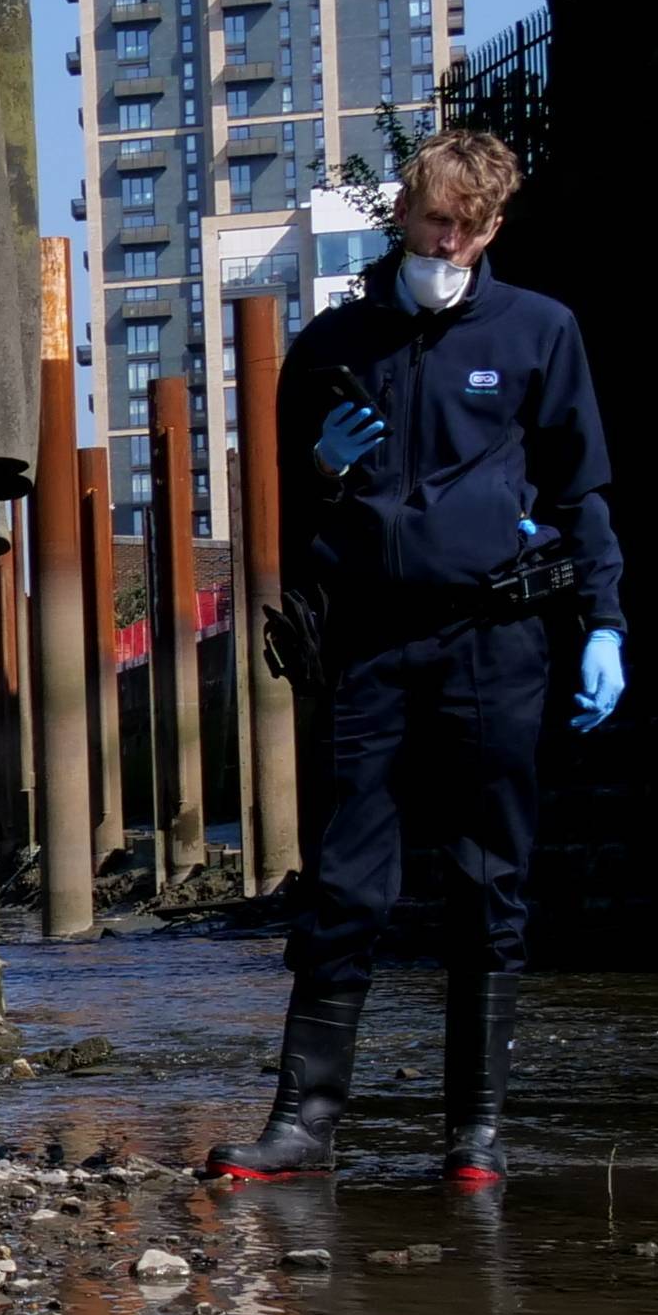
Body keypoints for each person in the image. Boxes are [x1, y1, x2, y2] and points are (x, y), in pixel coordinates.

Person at [207, 128, 623, 1186]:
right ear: (404, 212)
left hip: (498, 640)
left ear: (492, 229)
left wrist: (606, 622)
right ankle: (304, 1122)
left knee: (493, 882)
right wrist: (320, 466)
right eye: (436, 220)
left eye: (470, 227)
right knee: (346, 884)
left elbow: (580, 495)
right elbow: (290, 512)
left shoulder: (541, 332)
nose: (451, 241)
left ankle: (472, 1136)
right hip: (372, 644)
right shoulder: (332, 347)